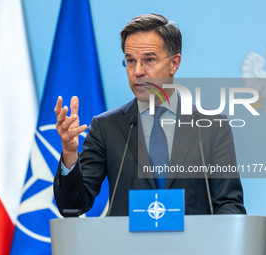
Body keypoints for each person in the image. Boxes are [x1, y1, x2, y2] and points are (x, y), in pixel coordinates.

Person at [53, 13, 246, 216]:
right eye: (130, 61)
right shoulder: (105, 127)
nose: (137, 71)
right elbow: (72, 206)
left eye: (149, 60)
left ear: (174, 63)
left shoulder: (212, 127)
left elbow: (229, 204)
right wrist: (69, 153)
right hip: (128, 247)